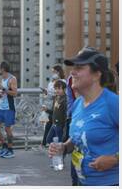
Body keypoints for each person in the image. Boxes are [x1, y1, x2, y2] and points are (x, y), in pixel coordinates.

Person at [48, 46, 119, 186]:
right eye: (73, 68)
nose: (72, 72)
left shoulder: (113, 103)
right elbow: (77, 139)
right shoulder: (78, 104)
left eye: (79, 68)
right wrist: (63, 147)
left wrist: (115, 159)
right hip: (83, 181)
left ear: (96, 74)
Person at [0, 61, 17, 158]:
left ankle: (11, 150)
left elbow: (14, 93)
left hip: (9, 108)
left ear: (3, 69)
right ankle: (4, 146)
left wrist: (3, 89)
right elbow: (5, 93)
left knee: (7, 129)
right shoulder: (3, 79)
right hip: (1, 107)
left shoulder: (12, 79)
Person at [40, 64, 65, 149]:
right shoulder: (52, 82)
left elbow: (65, 113)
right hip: (52, 108)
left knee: (59, 139)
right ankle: (48, 145)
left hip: (59, 122)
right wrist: (46, 92)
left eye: (54, 72)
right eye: (56, 89)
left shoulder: (63, 82)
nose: (53, 74)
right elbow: (51, 93)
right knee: (49, 131)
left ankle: (58, 151)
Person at [43, 79, 67, 144]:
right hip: (54, 124)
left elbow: (66, 114)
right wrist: (47, 110)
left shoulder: (65, 99)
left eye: (59, 89)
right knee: (48, 139)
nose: (57, 91)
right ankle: (56, 151)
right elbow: (54, 111)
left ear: (64, 89)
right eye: (55, 89)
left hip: (60, 125)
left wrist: (64, 126)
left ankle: (59, 152)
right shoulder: (56, 98)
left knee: (60, 142)